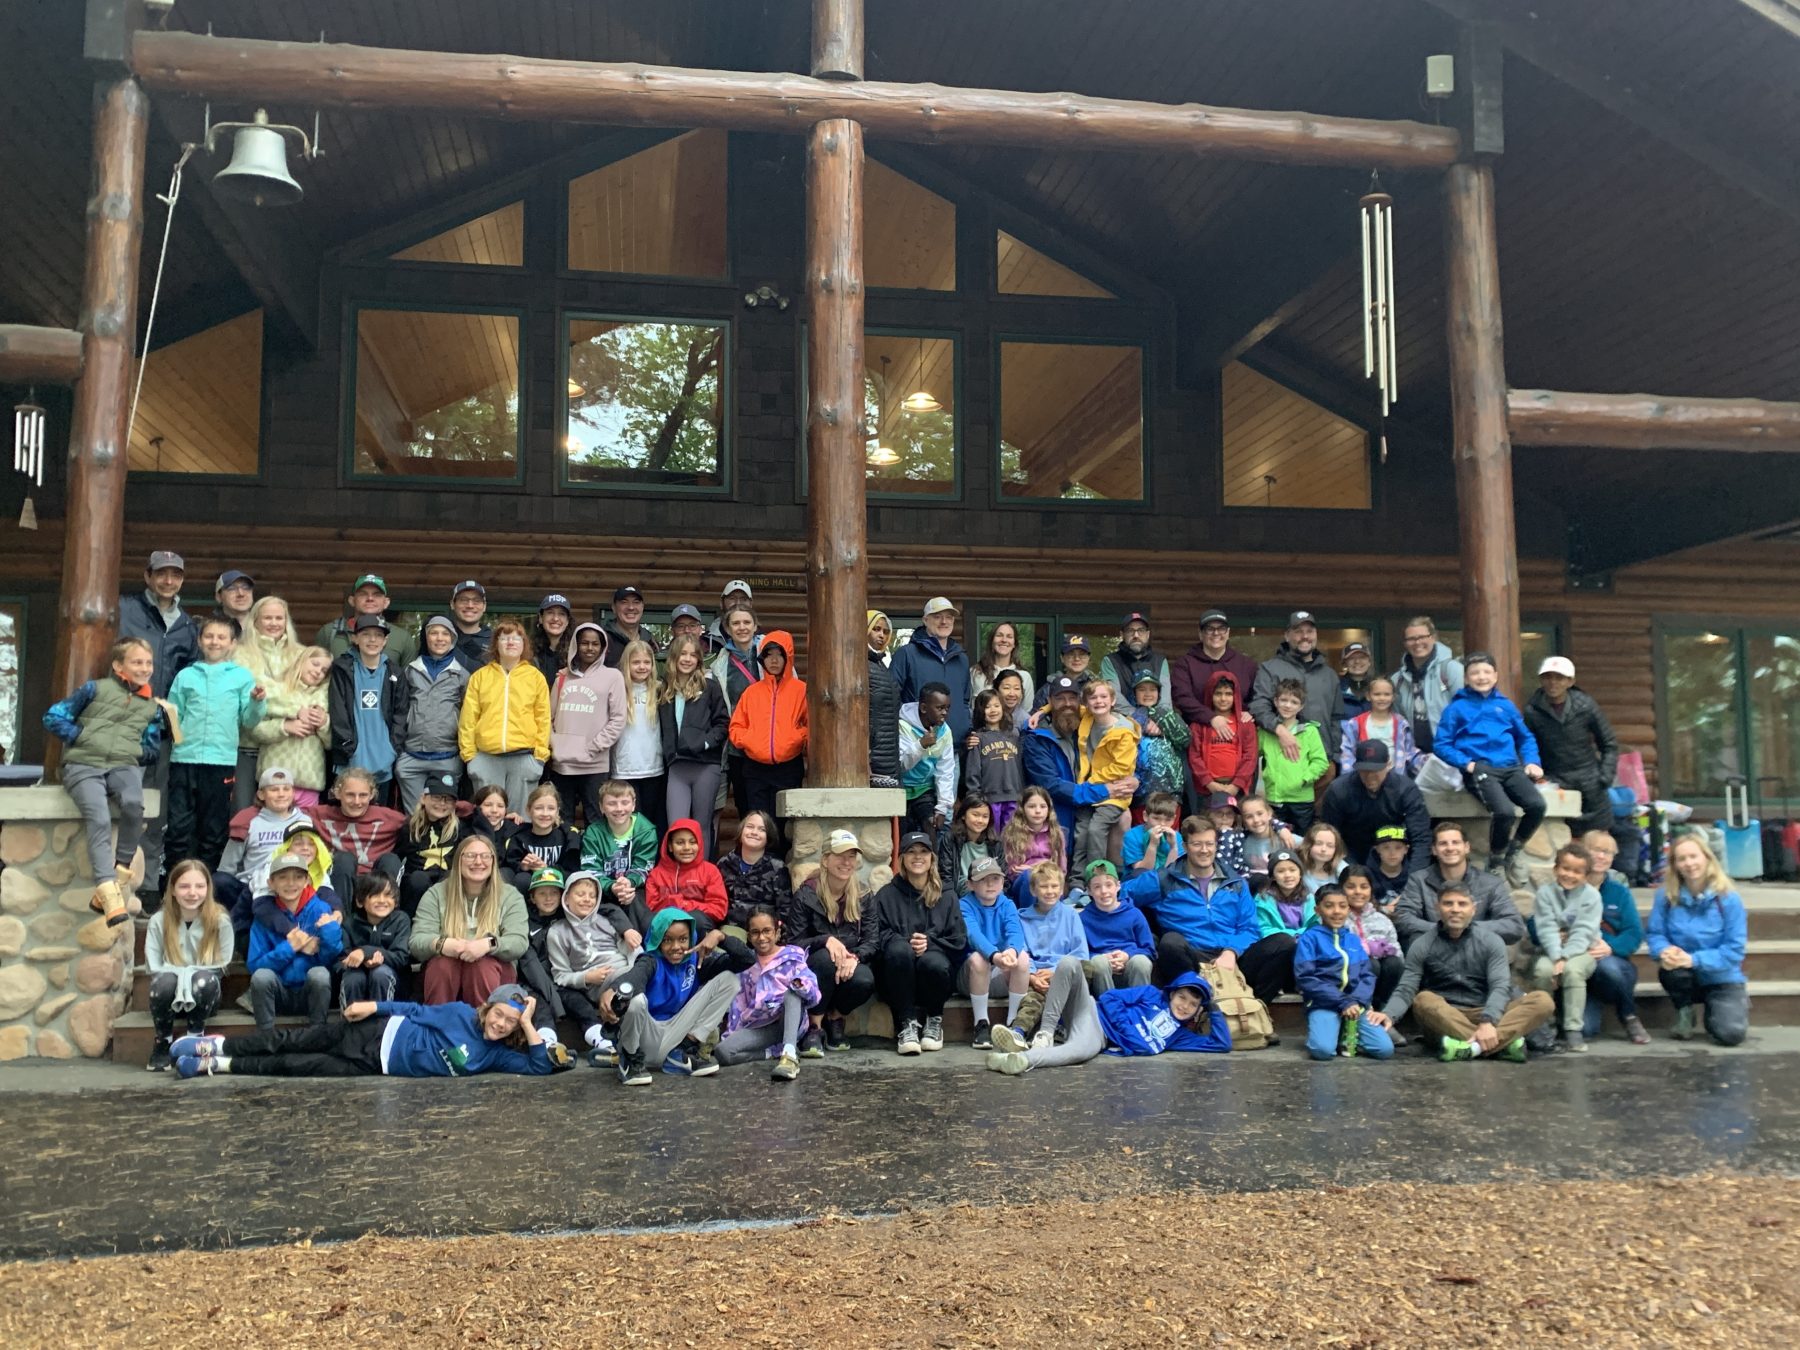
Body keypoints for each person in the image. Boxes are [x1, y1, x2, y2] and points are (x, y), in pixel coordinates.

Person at [42, 636, 173, 926]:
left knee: (133, 804)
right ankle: (107, 889)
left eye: (148, 662)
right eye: (137, 662)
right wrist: (83, 737)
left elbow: (151, 750)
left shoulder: (152, 708)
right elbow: (53, 717)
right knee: (99, 817)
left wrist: (133, 750)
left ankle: (121, 872)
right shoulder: (94, 689)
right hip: (83, 764)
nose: (144, 667)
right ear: (118, 666)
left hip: (122, 765)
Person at [173, 984, 551, 1079]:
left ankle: (216, 1066)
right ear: (487, 1008)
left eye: (510, 1024)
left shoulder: (494, 1055)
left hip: (375, 1066)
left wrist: (529, 1022)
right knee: (291, 1038)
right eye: (498, 1015)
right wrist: (373, 1006)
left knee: (297, 1065)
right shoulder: (459, 1014)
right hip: (377, 1032)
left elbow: (539, 1067)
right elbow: (414, 1009)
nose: (500, 1025)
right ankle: (217, 1043)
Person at [1369, 885, 1554, 1061]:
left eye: (1462, 904)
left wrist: (1488, 1021)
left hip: (1486, 1010)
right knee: (1423, 1000)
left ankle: (1471, 1048)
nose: (1455, 909)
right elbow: (1407, 987)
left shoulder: (1491, 941)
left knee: (1542, 1000)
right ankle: (1501, 1045)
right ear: (1437, 908)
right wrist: (1389, 1014)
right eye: (1448, 903)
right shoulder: (1422, 944)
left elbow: (1500, 985)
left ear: (1473, 909)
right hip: (1446, 1017)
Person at [1120, 817, 1285, 1005]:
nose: (1204, 850)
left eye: (1209, 844)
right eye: (1197, 844)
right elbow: (1120, 895)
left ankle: (1253, 1009)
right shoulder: (1164, 880)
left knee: (1282, 943)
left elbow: (1249, 928)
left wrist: (1231, 952)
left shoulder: (1236, 882)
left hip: (1232, 956)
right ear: (1185, 845)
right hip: (1191, 957)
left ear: (1216, 845)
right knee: (1170, 943)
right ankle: (1196, 1007)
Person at [118, 549, 197, 901]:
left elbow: (191, 678)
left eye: (175, 575)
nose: (168, 581)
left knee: (156, 809)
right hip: (126, 724)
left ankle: (147, 886)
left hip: (165, 732)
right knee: (124, 804)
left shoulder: (187, 626)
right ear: (148, 576)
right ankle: (113, 883)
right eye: (161, 574)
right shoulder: (125, 610)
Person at [985, 963, 1229, 1075]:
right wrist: (1130, 1035)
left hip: (1097, 1036)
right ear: (1172, 993)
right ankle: (1045, 1033)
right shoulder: (1152, 995)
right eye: (1182, 997)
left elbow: (1221, 1044)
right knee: (1070, 964)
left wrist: (1212, 1006)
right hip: (1091, 1010)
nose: (1185, 1006)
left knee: (1077, 1053)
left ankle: (1015, 1060)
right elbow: (1111, 998)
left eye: (1193, 1003)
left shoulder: (1179, 1036)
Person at [1433, 651, 1545, 884]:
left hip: (1510, 767)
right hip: (1480, 768)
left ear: (1495, 676)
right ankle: (1495, 860)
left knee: (1536, 805)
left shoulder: (1506, 706)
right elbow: (1441, 744)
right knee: (1504, 812)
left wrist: (1532, 762)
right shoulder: (1457, 708)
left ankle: (1513, 852)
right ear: (1466, 678)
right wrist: (1467, 764)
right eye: (1474, 673)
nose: (1481, 677)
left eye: (1486, 672)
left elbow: (1525, 738)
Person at [165, 615, 265, 873]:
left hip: (220, 762)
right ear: (200, 641)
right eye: (209, 636)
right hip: (183, 761)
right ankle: (172, 888)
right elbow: (175, 715)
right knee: (178, 827)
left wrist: (257, 702)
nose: (215, 642)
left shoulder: (241, 677)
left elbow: (249, 720)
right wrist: (180, 741)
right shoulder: (186, 675)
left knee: (213, 828)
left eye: (222, 637)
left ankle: (206, 887)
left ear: (232, 643)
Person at [599, 907, 738, 1084]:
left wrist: (721, 937)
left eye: (683, 939)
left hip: (674, 1036)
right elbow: (636, 975)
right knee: (635, 998)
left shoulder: (696, 961)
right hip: (644, 1038)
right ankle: (630, 1061)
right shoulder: (650, 960)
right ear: (657, 941)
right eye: (667, 940)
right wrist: (613, 988)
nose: (676, 947)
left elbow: (746, 960)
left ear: (692, 939)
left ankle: (680, 1054)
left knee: (730, 980)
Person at [1648, 833, 1749, 1046]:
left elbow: (1734, 951)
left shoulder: (1729, 899)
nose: (1689, 863)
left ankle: (1719, 1012)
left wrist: (1693, 960)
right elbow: (1655, 934)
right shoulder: (1665, 896)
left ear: (1706, 858)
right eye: (1681, 859)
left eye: (1693, 856)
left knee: (1730, 1034)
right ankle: (1684, 1011)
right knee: (1672, 972)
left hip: (1722, 977)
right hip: (1683, 973)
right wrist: (1663, 951)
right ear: (1674, 864)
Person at [782, 829, 879, 1049]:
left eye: (852, 856)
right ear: (826, 859)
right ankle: (814, 1026)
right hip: (816, 966)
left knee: (865, 980)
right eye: (840, 856)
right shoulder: (806, 894)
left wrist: (855, 957)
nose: (847, 862)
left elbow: (872, 940)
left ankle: (835, 1018)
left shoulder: (864, 895)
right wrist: (824, 940)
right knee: (826, 959)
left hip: (849, 963)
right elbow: (793, 943)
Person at [873, 831, 968, 1055]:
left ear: (932, 858)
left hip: (934, 976)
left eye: (924, 852)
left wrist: (930, 943)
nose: (918, 857)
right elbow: (876, 935)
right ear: (902, 859)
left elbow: (958, 939)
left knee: (934, 962)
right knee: (898, 950)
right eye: (911, 852)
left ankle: (934, 1020)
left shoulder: (947, 895)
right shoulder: (886, 895)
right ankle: (906, 1023)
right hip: (897, 976)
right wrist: (906, 942)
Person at [409, 834, 529, 1007]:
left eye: (485, 856)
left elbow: (518, 942)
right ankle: (438, 1025)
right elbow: (417, 941)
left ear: (493, 861)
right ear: (459, 860)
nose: (478, 862)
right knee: (443, 964)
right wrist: (444, 945)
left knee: (481, 966)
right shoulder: (436, 894)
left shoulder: (510, 896)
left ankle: (483, 1027)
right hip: (446, 972)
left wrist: (488, 944)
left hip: (493, 973)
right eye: (471, 856)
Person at [1024, 674, 1137, 848]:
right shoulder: (1037, 738)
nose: (1067, 703)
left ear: (1081, 701)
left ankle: (1108, 874)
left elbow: (1125, 756)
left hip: (1093, 805)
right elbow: (1051, 785)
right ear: (1050, 701)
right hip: (1056, 818)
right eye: (1060, 698)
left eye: (1072, 698)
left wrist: (1134, 780)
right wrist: (1102, 790)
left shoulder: (1090, 726)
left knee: (1123, 818)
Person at [142, 860, 233, 1070]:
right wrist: (180, 977)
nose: (192, 893)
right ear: (173, 890)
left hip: (205, 996)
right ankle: (163, 1041)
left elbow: (222, 963)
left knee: (202, 979)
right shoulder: (158, 920)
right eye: (184, 886)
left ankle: (195, 1038)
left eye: (199, 886)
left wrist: (189, 975)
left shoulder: (220, 920)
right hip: (168, 998)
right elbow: (153, 965)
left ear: (208, 889)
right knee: (164, 981)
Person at [457, 618, 552, 814]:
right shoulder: (480, 677)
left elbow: (543, 719)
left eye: (517, 638)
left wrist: (540, 757)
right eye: (504, 638)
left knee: (521, 819)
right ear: (496, 644)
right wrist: (470, 757)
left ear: (524, 645)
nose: (510, 642)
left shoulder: (535, 678)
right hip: (486, 759)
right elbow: (468, 720)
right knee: (487, 817)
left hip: (524, 759)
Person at [1522, 656, 1621, 842]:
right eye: (1547, 677)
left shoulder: (1586, 706)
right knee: (1563, 841)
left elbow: (1609, 743)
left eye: (1559, 678)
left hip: (1591, 783)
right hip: (1556, 781)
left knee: (1599, 840)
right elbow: (1525, 746)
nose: (1553, 683)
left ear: (1570, 681)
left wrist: (1604, 777)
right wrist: (1537, 778)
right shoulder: (1532, 711)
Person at [1249, 611, 1346, 800]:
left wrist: (1333, 758)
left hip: (1320, 767)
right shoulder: (1270, 669)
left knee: (1319, 824)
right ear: (1287, 636)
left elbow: (1336, 719)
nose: (1305, 636)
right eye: (1298, 631)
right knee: (1283, 825)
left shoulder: (1329, 675)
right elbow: (1259, 706)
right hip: (1283, 764)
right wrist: (1281, 730)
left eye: (1310, 631)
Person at [716, 907, 821, 1080]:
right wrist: (732, 1034)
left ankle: (789, 1056)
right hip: (760, 1027)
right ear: (749, 936)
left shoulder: (793, 956)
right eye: (755, 932)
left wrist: (800, 985)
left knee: (792, 994)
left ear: (777, 932)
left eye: (767, 931)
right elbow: (738, 1004)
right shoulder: (746, 964)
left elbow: (814, 995)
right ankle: (772, 1053)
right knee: (723, 1052)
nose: (762, 937)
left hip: (789, 1021)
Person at [246, 847, 343, 1032]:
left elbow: (330, 960)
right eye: (282, 877)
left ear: (307, 880)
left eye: (298, 877)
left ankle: (317, 1034)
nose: (291, 883)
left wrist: (329, 931)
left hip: (311, 993)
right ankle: (266, 1038)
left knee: (320, 974)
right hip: (279, 992)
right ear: (271, 883)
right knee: (261, 977)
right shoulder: (265, 917)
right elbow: (254, 966)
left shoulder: (320, 909)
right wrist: (290, 947)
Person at [1296, 883, 1396, 1061]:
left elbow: (1367, 975)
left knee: (1385, 1050)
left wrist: (1357, 1002)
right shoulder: (1310, 938)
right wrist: (1343, 1002)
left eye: (1342, 906)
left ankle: (1346, 1030)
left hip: (1356, 1004)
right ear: (1317, 910)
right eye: (1329, 906)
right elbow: (1306, 978)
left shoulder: (1352, 940)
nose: (1336, 911)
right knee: (1323, 1051)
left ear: (1348, 909)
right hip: (1324, 1002)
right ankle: (1332, 1029)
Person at [547, 869, 638, 1064]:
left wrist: (639, 965)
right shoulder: (558, 932)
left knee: (646, 970)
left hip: (626, 971)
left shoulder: (606, 922)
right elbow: (560, 975)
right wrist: (586, 978)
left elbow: (629, 949)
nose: (587, 900)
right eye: (580, 894)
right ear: (566, 898)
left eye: (592, 895)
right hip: (599, 982)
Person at [1392, 821, 1526, 950]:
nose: (1450, 848)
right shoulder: (1418, 880)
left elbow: (1514, 926)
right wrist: (1442, 930)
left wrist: (1465, 929)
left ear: (1466, 847)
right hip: (1432, 953)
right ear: (1434, 850)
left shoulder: (1491, 883)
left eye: (1455, 842)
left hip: (1476, 955)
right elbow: (1402, 918)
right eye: (1443, 843)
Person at [1522, 843, 1604, 1053]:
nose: (1570, 875)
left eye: (1577, 871)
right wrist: (1557, 956)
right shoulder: (1545, 894)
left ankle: (1573, 1029)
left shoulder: (1592, 897)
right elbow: (1546, 927)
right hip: (1552, 950)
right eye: (1566, 868)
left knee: (1573, 971)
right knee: (1542, 970)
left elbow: (1584, 931)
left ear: (1586, 875)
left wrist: (1565, 958)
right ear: (1556, 869)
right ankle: (1545, 1026)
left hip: (1583, 950)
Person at [726, 629, 807, 838]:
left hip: (788, 766)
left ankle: (781, 867)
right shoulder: (752, 692)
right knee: (758, 821)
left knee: (786, 823)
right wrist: (750, 742)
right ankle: (760, 866)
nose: (773, 660)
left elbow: (811, 725)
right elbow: (736, 726)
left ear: (788, 657)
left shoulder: (801, 690)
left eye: (779, 654)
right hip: (755, 768)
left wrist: (795, 739)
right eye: (768, 655)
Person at [215, 766, 312, 939]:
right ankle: (232, 935)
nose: (281, 794)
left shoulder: (305, 821)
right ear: (261, 794)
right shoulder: (247, 820)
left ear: (293, 793)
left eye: (286, 789)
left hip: (291, 887)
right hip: (250, 889)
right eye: (274, 789)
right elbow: (227, 867)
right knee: (219, 881)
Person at [546, 622, 626, 829]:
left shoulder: (613, 677)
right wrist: (555, 744)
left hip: (594, 764)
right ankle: (564, 861)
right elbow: (548, 717)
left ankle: (594, 860)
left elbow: (618, 719)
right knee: (562, 820)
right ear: (576, 645)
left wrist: (592, 747)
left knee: (596, 820)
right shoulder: (562, 678)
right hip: (563, 764)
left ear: (602, 648)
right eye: (584, 643)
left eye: (595, 644)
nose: (589, 648)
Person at [659, 633, 729, 857]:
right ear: (674, 657)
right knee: (677, 826)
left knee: (701, 825)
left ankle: (703, 877)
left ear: (699, 659)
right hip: (677, 767)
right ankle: (679, 877)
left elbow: (723, 723)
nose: (687, 659)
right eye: (683, 654)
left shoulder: (709, 687)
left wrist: (706, 743)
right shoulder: (664, 690)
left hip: (705, 766)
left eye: (692, 655)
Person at [1317, 739, 1432, 874]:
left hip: (1394, 854)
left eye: (1376, 770)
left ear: (1389, 764)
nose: (1370, 776)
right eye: (1364, 770)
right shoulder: (1339, 790)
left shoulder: (1406, 789)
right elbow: (1330, 834)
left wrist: (1413, 880)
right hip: (1351, 852)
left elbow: (1421, 838)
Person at [327, 613, 409, 801]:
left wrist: (392, 748)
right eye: (366, 634)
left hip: (383, 759)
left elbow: (401, 713)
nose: (373, 640)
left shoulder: (394, 672)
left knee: (378, 816)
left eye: (379, 635)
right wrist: (347, 746)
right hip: (351, 758)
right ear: (355, 638)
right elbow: (338, 710)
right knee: (349, 811)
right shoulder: (342, 668)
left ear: (385, 640)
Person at [1578, 830, 1649, 1045]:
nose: (1601, 857)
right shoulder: (1568, 884)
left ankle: (1628, 1016)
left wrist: (1610, 947)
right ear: (1583, 852)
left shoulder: (1619, 892)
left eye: (1607, 852)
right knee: (1586, 1031)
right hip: (1578, 965)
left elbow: (1634, 933)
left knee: (1606, 967)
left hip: (1613, 962)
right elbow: (1536, 924)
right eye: (1596, 850)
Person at [231, 595, 302, 809]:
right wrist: (289, 714)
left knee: (281, 812)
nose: (274, 623)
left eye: (279, 618)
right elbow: (247, 699)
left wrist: (272, 694)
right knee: (242, 811)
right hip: (247, 747)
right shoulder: (238, 655)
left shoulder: (300, 654)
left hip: (284, 747)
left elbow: (307, 694)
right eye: (267, 618)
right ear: (255, 621)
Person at [394, 616, 471, 816]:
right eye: (434, 633)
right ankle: (416, 846)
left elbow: (468, 715)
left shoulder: (462, 675)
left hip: (447, 755)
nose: (439, 638)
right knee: (415, 816)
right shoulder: (410, 671)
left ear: (453, 639)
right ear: (426, 637)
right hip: (412, 755)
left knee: (442, 814)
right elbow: (399, 710)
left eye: (445, 633)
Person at [957, 856, 1030, 1049]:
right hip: (971, 977)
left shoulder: (1007, 904)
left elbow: (1015, 931)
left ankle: (1015, 1024)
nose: (990, 884)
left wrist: (1011, 952)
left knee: (1022, 958)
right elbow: (973, 935)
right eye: (982, 879)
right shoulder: (964, 905)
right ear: (971, 884)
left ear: (1003, 882)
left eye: (995, 878)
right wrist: (995, 956)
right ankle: (981, 1024)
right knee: (979, 959)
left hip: (1000, 972)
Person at [250, 644, 332, 809]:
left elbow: (331, 743)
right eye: (315, 664)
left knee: (304, 830)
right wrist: (285, 726)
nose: (318, 671)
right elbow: (256, 730)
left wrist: (324, 723)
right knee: (272, 828)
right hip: (275, 781)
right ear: (301, 661)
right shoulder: (276, 692)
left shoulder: (326, 699)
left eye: (324, 670)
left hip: (309, 782)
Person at [310, 766, 407, 903]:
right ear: (337, 793)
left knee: (391, 860)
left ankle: (386, 920)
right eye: (350, 795)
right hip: (339, 881)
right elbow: (286, 814)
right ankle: (339, 919)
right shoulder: (318, 814)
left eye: (363, 795)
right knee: (344, 859)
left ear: (372, 795)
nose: (356, 802)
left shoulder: (390, 818)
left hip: (374, 883)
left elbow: (418, 823)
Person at [889, 597, 974, 745]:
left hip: (954, 747)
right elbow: (891, 698)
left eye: (949, 617)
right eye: (937, 616)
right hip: (917, 746)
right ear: (925, 620)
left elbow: (965, 701)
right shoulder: (907, 654)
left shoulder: (961, 658)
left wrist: (966, 729)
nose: (944, 621)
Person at [1257, 677, 1328, 832]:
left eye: (1294, 702)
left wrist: (1304, 779)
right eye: (1284, 700)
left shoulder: (1309, 731)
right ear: (1275, 701)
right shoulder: (1266, 732)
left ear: (1301, 706)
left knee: (1302, 841)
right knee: (1276, 840)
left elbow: (1320, 761)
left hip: (1301, 799)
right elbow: (1252, 755)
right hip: (1274, 797)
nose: (1288, 705)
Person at [712, 601, 763, 818]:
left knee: (769, 808)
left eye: (746, 622)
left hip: (769, 742)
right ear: (728, 628)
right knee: (745, 805)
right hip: (738, 747)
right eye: (736, 623)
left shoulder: (771, 654)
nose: (741, 627)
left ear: (755, 626)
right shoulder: (720, 665)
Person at [611, 639, 668, 833]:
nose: (642, 667)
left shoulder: (660, 690)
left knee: (652, 821)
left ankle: (651, 861)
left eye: (646, 662)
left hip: (654, 767)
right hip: (625, 767)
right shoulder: (617, 689)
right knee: (630, 822)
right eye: (636, 662)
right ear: (627, 664)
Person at [1171, 609, 1259, 733]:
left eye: (1221, 628)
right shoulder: (1185, 664)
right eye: (1209, 629)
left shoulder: (1246, 665)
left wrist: (1251, 712)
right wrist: (1211, 718)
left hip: (1238, 735)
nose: (1216, 633)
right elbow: (1182, 698)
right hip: (1197, 734)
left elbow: (1259, 696)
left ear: (1228, 633)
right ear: (1200, 634)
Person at [580, 779, 660, 907]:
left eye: (625, 803)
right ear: (601, 807)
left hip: (635, 889)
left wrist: (629, 882)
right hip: (603, 890)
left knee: (636, 906)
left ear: (633, 804)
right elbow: (591, 871)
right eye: (612, 803)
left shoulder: (646, 831)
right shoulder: (593, 833)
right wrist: (612, 886)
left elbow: (644, 867)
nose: (619, 809)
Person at [1390, 616, 1463, 758]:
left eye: (1422, 637)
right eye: (1411, 639)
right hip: (1415, 756)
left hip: (1451, 751)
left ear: (1433, 637)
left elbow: (1466, 711)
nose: (1417, 643)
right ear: (1405, 643)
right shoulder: (1397, 680)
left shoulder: (1451, 670)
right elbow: (1398, 720)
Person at [337, 872, 412, 1009]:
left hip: (392, 981)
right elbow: (341, 960)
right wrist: (363, 962)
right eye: (375, 895)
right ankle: (350, 1027)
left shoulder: (401, 920)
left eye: (388, 895)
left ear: (395, 900)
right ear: (360, 901)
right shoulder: (349, 924)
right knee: (353, 978)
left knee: (380, 973)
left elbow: (401, 957)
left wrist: (366, 952)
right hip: (357, 978)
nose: (382, 900)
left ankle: (382, 1027)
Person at [1079, 860, 1155, 990]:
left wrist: (1127, 955)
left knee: (1141, 962)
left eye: (1109, 885)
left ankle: (1140, 1004)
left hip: (1129, 968)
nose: (1104, 891)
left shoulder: (1134, 914)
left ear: (1118, 886)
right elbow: (1080, 952)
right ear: (1089, 891)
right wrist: (1102, 958)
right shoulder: (1083, 919)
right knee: (1099, 963)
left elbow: (1149, 949)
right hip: (1101, 974)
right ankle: (1108, 1005)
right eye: (1097, 887)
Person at [645, 819, 730, 935]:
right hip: (665, 929)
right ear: (670, 846)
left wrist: (683, 904)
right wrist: (672, 903)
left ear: (699, 844)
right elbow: (651, 908)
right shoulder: (656, 874)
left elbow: (719, 910)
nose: (687, 847)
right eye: (680, 843)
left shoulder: (710, 871)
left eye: (692, 842)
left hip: (698, 928)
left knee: (697, 919)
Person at [1185, 671, 1257, 809]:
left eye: (1228, 694)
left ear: (1235, 696)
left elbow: (1250, 757)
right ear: (1210, 695)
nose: (1223, 698)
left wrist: (1236, 785)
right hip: (1207, 789)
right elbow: (1194, 756)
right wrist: (1209, 783)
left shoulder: (1245, 724)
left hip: (1236, 788)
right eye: (1218, 693)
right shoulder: (1199, 725)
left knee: (1235, 825)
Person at [314, 573, 417, 668]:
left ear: (386, 602)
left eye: (377, 595)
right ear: (352, 600)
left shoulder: (402, 638)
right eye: (363, 594)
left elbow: (408, 683)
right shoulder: (329, 632)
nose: (370, 598)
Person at [397, 770, 463, 914]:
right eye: (436, 797)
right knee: (418, 879)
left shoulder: (459, 827)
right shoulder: (409, 827)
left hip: (446, 885)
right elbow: (397, 857)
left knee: (451, 877)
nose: (442, 803)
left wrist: (472, 809)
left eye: (448, 799)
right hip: (416, 885)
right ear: (423, 798)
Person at [1341, 865, 1404, 1011]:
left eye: (1364, 887)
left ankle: (1384, 1007)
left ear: (1371, 890)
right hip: (1349, 977)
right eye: (1351, 887)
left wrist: (1384, 950)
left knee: (1394, 963)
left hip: (1381, 984)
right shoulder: (1337, 917)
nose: (1358, 892)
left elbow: (1398, 953)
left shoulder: (1381, 919)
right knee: (1370, 964)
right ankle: (1363, 1007)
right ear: (1341, 889)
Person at [899, 683, 958, 835]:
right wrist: (921, 745)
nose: (945, 713)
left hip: (925, 789)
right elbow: (900, 765)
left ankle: (934, 858)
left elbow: (946, 770)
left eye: (948, 708)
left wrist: (942, 807)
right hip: (901, 788)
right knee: (902, 834)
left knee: (930, 827)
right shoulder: (902, 725)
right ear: (924, 708)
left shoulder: (945, 731)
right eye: (940, 708)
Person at [719, 809, 792, 932]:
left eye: (761, 829)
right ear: (741, 831)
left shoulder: (777, 867)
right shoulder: (725, 864)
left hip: (764, 933)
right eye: (750, 827)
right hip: (731, 931)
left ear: (768, 837)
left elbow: (785, 909)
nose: (754, 832)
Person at [1124, 668, 1187, 809]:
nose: (1148, 694)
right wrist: (1142, 719)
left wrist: (1164, 725)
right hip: (1142, 792)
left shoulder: (1170, 715)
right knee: (1144, 830)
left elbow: (1185, 739)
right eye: (1142, 689)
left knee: (1170, 829)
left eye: (1152, 689)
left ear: (1159, 693)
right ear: (1134, 694)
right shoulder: (1128, 721)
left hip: (1171, 791)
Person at [499, 783, 580, 892]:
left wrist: (546, 869)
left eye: (551, 808)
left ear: (557, 811)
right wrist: (523, 866)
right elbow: (511, 863)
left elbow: (571, 871)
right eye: (539, 808)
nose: (545, 813)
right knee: (522, 879)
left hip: (558, 889)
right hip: (528, 889)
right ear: (528, 810)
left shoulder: (566, 838)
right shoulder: (518, 837)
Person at [963, 690, 1023, 831]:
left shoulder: (1014, 737)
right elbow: (973, 771)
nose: (993, 710)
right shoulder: (977, 738)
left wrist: (1022, 794)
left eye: (996, 705)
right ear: (980, 711)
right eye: (987, 707)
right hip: (989, 799)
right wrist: (974, 797)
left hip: (1014, 797)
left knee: (1012, 839)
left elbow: (1019, 769)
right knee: (992, 839)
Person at [1338, 676, 1418, 777]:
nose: (1382, 698)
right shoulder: (1355, 724)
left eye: (1387, 694)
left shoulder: (1401, 724)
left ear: (1393, 697)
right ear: (1368, 696)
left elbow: (1410, 752)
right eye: (1377, 694)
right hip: (1366, 778)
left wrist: (1426, 761)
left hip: (1395, 778)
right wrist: (1351, 779)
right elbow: (1347, 755)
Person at [1101, 612, 1172, 713]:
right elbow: (1113, 694)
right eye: (1130, 630)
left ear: (1148, 634)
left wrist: (1158, 719)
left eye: (1141, 630)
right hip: (1122, 719)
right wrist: (1137, 716)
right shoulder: (1110, 661)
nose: (1136, 635)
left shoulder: (1160, 660)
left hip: (1157, 722)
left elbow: (1165, 699)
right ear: (1122, 635)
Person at [938, 795, 1001, 896]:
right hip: (961, 893)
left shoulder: (995, 843)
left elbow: (1003, 877)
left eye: (985, 816)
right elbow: (946, 876)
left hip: (990, 890)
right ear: (963, 815)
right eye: (975, 815)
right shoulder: (950, 839)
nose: (980, 820)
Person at [866, 610, 902, 787]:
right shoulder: (860, 664)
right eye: (876, 629)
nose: (881, 634)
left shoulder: (880, 664)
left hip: (888, 752)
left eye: (886, 631)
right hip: (873, 757)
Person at [1002, 784, 1066, 878]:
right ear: (1022, 809)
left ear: (1049, 810)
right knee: (1027, 877)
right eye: (1031, 806)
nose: (1038, 811)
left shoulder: (1056, 833)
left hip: (1049, 878)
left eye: (1043, 806)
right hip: (1022, 880)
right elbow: (1013, 869)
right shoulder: (1012, 833)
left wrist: (1034, 869)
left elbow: (1061, 869)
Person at [970, 619, 1035, 709]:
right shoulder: (976, 673)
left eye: (1009, 636)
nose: (1004, 640)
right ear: (992, 641)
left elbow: (1027, 711)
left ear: (1014, 644)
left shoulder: (1024, 676)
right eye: (999, 635)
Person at [1122, 791, 1183, 875]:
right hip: (1138, 882)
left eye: (1168, 820)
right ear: (1145, 816)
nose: (1162, 824)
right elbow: (1141, 872)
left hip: (1166, 881)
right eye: (1156, 818)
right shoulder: (1132, 836)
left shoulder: (1176, 837)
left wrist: (1173, 847)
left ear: (1173, 819)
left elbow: (1173, 871)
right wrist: (1152, 845)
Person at [602, 584, 653, 668]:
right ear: (614, 607)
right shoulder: (603, 640)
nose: (631, 607)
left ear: (642, 607)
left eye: (636, 602)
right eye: (624, 602)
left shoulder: (651, 642)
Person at [448, 580, 493, 671]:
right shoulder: (441, 636)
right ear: (453, 604)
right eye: (463, 600)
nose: (470, 605)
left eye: (476, 601)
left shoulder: (496, 640)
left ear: (484, 606)